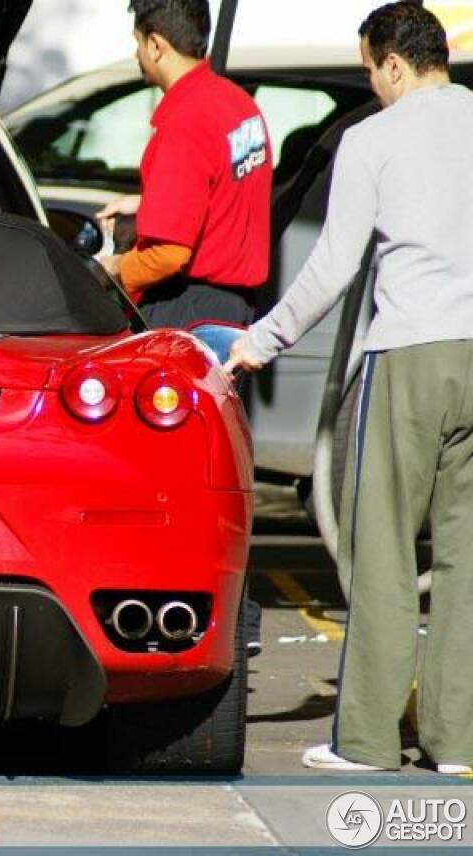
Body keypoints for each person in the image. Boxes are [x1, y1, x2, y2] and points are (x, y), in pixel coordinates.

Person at [226, 2, 473, 774]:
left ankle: (365, 741)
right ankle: (459, 743)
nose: (369, 83)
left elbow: (331, 268)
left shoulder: (372, 140)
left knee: (383, 549)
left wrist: (259, 342)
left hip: (408, 354)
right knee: (466, 558)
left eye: (369, 68)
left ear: (395, 64)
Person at [97, 0, 272, 655]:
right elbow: (214, 193)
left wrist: (112, 272)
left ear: (153, 43)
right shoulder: (238, 108)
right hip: (233, 314)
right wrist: (147, 204)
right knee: (223, 479)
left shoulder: (183, 123)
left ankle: (216, 623)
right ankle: (240, 619)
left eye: (138, 42)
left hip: (189, 317)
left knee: (177, 487)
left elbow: (168, 254)